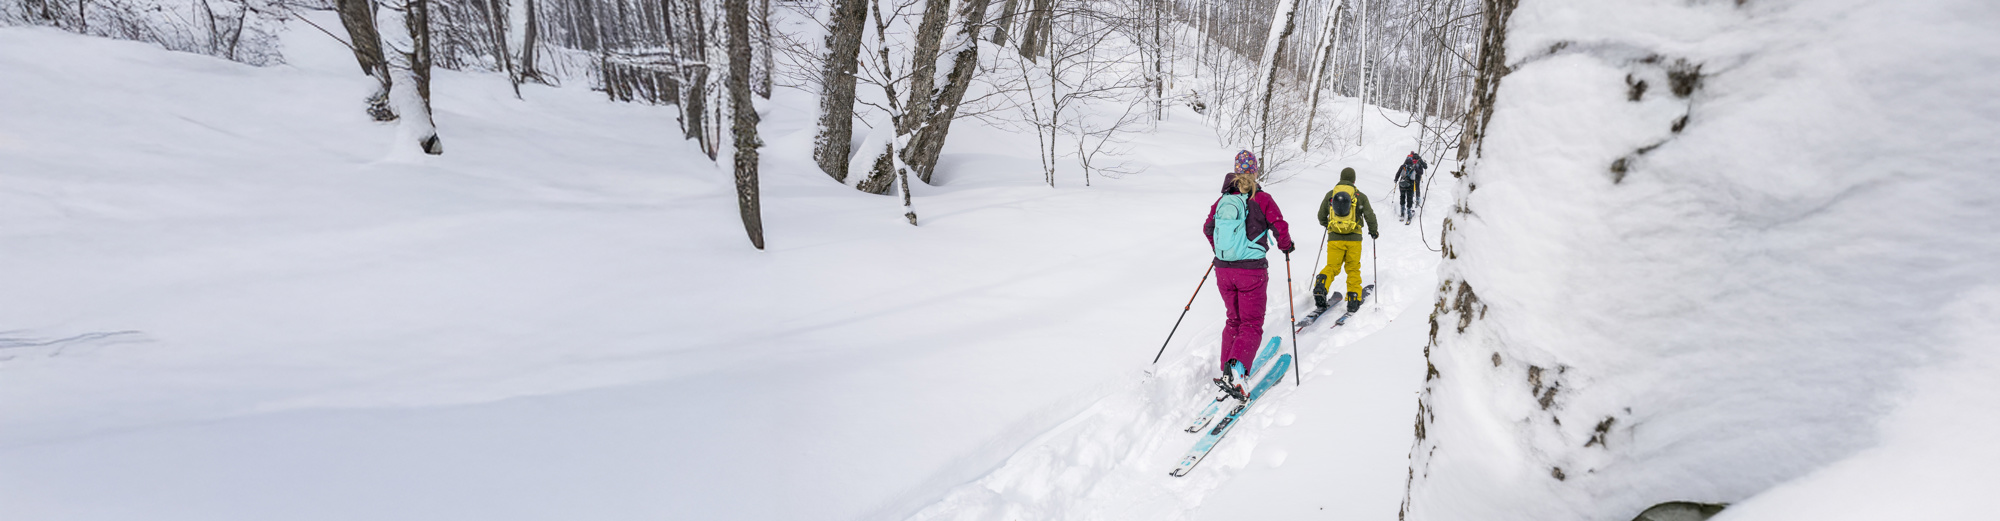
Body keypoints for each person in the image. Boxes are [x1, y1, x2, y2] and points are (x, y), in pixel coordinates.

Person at [1203, 150, 1294, 395]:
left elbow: (1207, 228)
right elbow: (1279, 225)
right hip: (1251, 271)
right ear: (1254, 171)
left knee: (1234, 320)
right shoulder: (1261, 198)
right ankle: (1238, 372)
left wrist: (1222, 251)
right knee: (1251, 323)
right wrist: (1286, 246)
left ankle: (1227, 370)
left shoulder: (1222, 200)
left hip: (1223, 271)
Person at [1315, 167, 1379, 314]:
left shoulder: (1331, 195)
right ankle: (1353, 298)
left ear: (1341, 178)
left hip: (1334, 239)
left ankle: (1321, 285)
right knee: (1352, 269)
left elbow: (1321, 215)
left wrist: (1329, 226)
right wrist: (1373, 231)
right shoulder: (1359, 196)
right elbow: (1370, 215)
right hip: (1354, 240)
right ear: (1353, 180)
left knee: (1332, 266)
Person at [1396, 152, 1427, 223]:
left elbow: (1398, 173)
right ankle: (1416, 203)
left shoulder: (1404, 165)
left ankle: (1402, 213)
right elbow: (1421, 171)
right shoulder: (1417, 162)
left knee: (1402, 196)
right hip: (1412, 182)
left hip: (1402, 183)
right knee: (1416, 189)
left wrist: (1396, 180)